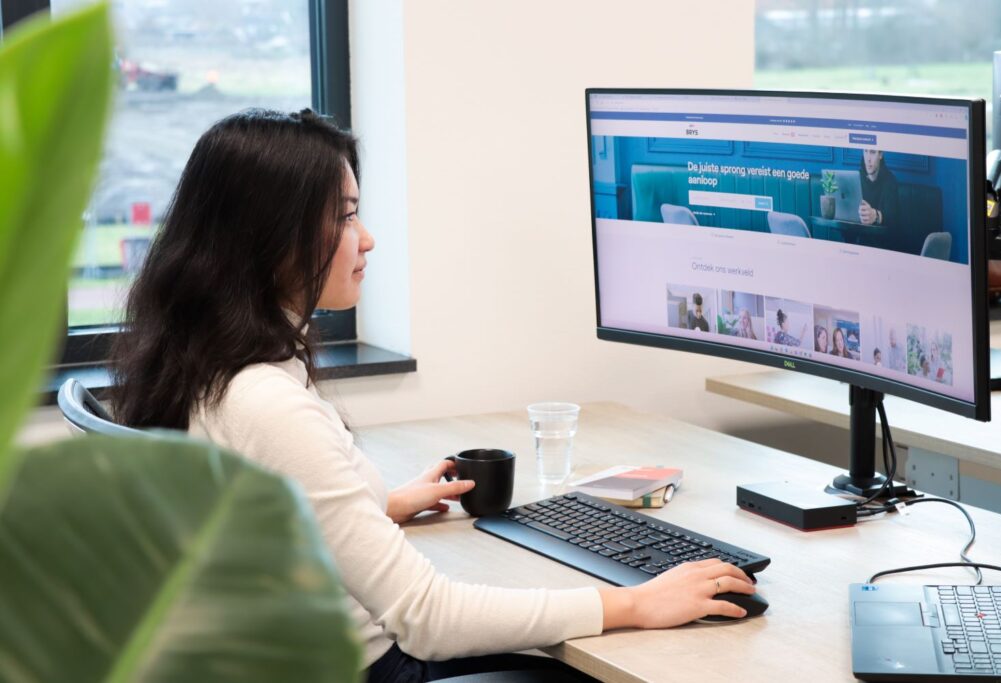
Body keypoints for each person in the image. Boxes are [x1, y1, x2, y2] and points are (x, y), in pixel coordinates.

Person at [110, 109, 756, 682]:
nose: (366, 239)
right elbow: (428, 617)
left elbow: (258, 514)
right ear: (271, 236)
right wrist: (636, 602)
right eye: (345, 217)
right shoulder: (265, 402)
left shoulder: (204, 361)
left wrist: (376, 504)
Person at [859, 148, 900, 229]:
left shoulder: (890, 181)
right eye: (865, 151)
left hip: (881, 239)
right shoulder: (857, 177)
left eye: (873, 152)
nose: (868, 159)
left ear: (880, 154)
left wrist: (876, 216)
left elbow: (893, 219)